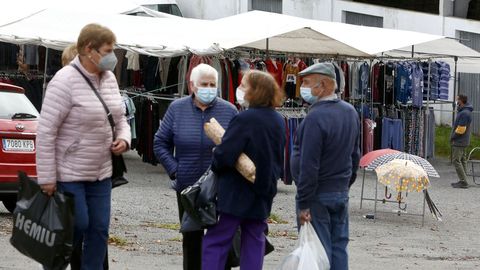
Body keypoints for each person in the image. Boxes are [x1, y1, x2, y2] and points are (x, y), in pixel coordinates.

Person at [36, 23, 131, 269]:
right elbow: (46, 132)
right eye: (108, 50)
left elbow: (120, 118)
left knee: (99, 229)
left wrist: (124, 138)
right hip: (70, 172)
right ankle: (54, 264)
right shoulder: (64, 80)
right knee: (77, 225)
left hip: (101, 172)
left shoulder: (109, 79)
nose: (112, 56)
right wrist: (46, 178)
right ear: (90, 49)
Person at [153, 63, 237, 270]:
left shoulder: (230, 110)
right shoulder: (177, 108)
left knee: (220, 239)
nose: (209, 88)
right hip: (188, 187)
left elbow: (239, 147)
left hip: (220, 187)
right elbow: (160, 142)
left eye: (213, 84)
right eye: (204, 84)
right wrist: (174, 169)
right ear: (192, 85)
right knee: (191, 238)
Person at [202, 70, 286, 270]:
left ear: (255, 90)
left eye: (244, 85)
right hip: (263, 189)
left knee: (217, 240)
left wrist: (216, 156)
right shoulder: (278, 120)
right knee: (254, 240)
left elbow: (225, 155)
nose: (241, 88)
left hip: (236, 192)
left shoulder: (245, 118)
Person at [291, 63, 360, 270]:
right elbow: (355, 155)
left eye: (306, 83)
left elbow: (309, 165)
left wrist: (303, 202)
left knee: (318, 250)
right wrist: (346, 183)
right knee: (339, 246)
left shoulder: (315, 117)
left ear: (322, 85)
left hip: (317, 194)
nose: (303, 87)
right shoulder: (350, 112)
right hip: (339, 191)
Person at [451, 94, 474, 189]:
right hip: (464, 140)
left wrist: (453, 137)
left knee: (456, 160)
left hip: (460, 141)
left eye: (457, 100)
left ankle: (463, 182)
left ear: (461, 101)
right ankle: (463, 180)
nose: (456, 101)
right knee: (463, 160)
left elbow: (461, 129)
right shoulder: (465, 111)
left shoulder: (464, 113)